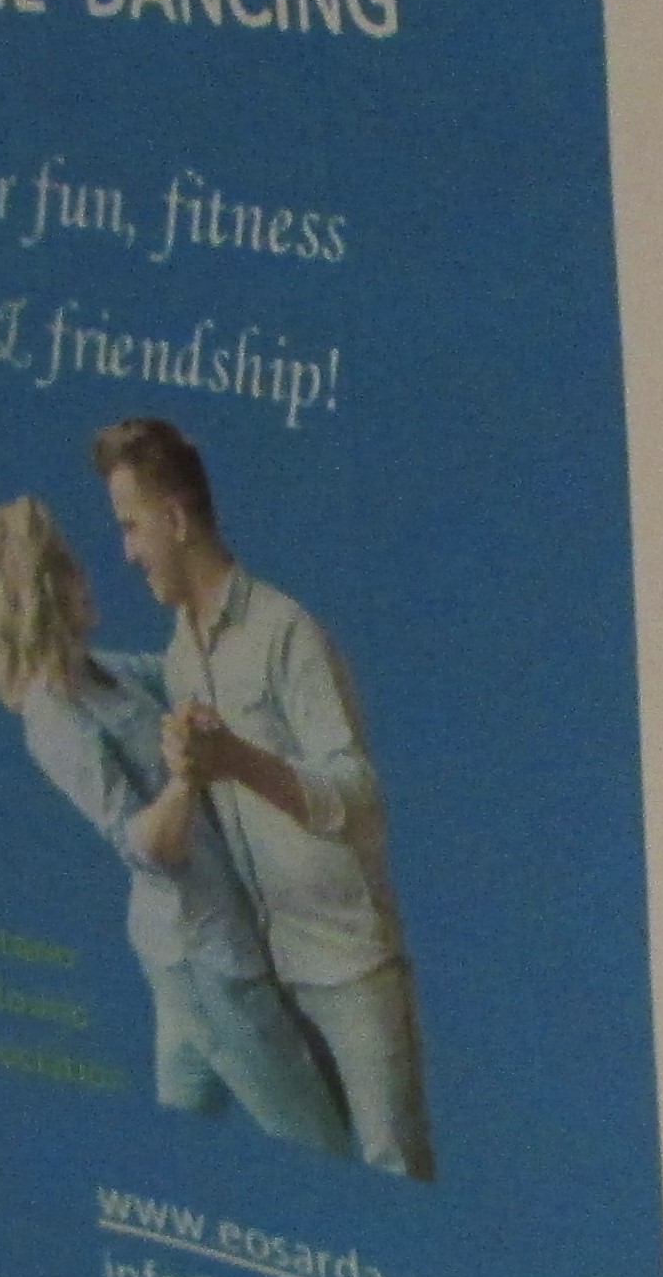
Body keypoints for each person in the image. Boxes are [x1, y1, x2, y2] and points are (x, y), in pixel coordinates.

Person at [90, 416, 434, 1178]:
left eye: (132, 526)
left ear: (176, 518)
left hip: (348, 969)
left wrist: (237, 759)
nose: (127, 552)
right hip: (266, 974)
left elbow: (359, 793)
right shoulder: (180, 653)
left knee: (392, 1172)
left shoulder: (286, 631)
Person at [0, 495, 350, 1156]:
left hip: (184, 942)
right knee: (316, 1139)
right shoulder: (54, 718)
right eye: (67, 570)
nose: (88, 578)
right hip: (206, 951)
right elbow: (144, 843)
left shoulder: (103, 673)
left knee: (181, 1121)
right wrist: (185, 776)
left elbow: (185, 678)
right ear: (37, 594)